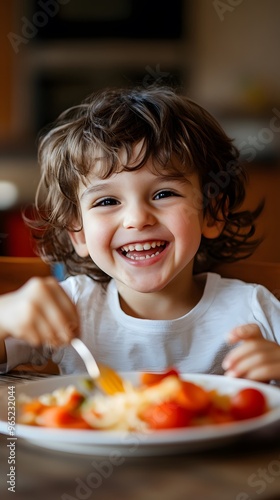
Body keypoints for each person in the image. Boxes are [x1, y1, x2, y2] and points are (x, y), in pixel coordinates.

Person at [0, 86, 279, 382]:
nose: (137, 219)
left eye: (164, 193)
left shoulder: (253, 310)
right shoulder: (72, 309)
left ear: (211, 214)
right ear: (77, 232)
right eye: (107, 201)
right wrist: (6, 316)